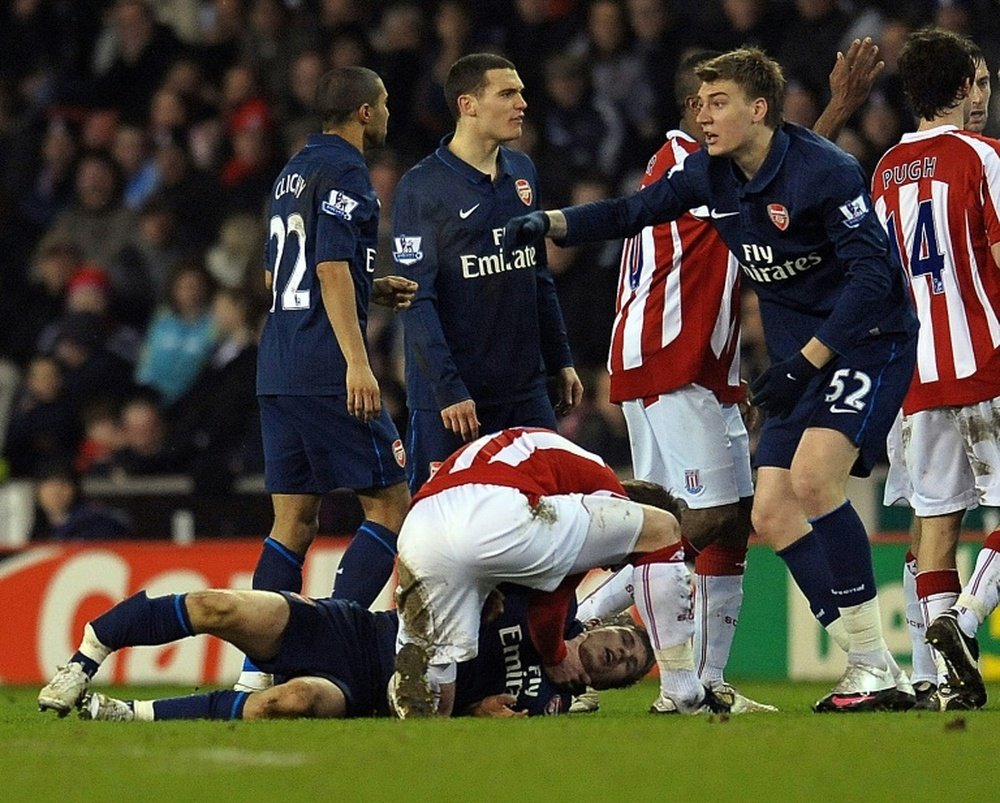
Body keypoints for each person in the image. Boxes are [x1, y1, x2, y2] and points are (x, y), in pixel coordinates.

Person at [504, 47, 920, 713]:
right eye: (699, 103)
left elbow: (857, 255)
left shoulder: (816, 170)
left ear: (757, 109)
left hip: (849, 345)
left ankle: (717, 674)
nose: (705, 114)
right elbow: (629, 212)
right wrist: (553, 224)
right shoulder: (701, 168)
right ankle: (866, 665)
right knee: (761, 510)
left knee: (784, 495)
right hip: (703, 359)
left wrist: (803, 359)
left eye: (717, 102)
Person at [245, 67, 417, 691]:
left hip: (279, 364)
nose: (391, 112)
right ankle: (329, 640)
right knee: (392, 501)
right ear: (364, 112)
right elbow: (328, 268)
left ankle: (254, 673)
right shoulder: (348, 170)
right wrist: (359, 361)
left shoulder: (291, 171)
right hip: (325, 367)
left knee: (292, 522)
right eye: (386, 102)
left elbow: (277, 277)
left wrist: (371, 286)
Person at [389, 426, 731, 719]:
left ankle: (418, 690)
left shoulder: (561, 472)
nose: (614, 567)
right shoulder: (605, 489)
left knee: (437, 702)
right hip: (497, 509)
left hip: (422, 529)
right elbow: (549, 603)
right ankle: (681, 687)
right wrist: (555, 656)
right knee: (663, 529)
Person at [872, 29, 1000, 712]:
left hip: (917, 377)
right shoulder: (983, 157)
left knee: (937, 530)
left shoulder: (884, 172)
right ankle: (968, 621)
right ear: (960, 89)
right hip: (987, 360)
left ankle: (950, 682)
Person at [390, 53, 582, 496]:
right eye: (507, 93)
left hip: (524, 390)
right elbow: (416, 300)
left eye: (521, 92)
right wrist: (449, 389)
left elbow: (537, 276)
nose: (522, 104)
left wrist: (561, 359)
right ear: (468, 105)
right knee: (444, 536)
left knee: (551, 515)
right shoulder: (423, 189)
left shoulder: (522, 171)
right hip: (455, 401)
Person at [36, 585, 652, 721]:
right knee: (216, 607)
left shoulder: (552, 704)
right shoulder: (546, 602)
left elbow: (488, 719)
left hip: (365, 693)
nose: (615, 655)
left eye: (626, 665)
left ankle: (125, 714)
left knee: (286, 702)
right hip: (356, 633)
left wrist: (485, 716)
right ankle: (82, 662)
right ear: (598, 625)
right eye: (621, 641)